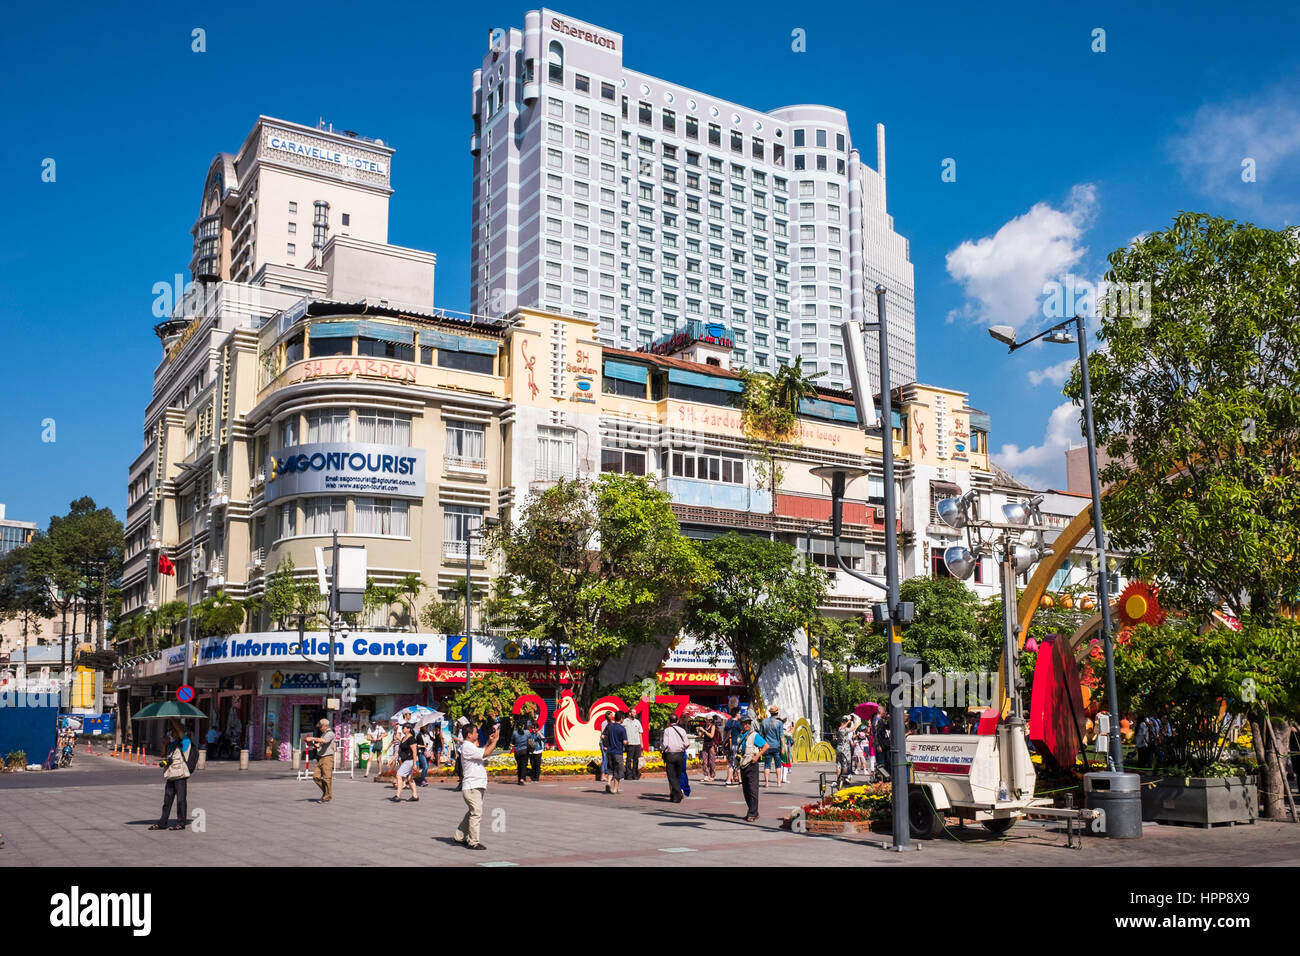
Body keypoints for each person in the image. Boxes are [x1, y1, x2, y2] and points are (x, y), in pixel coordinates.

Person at [453, 720, 499, 851]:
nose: (477, 734)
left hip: (475, 785)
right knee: (476, 814)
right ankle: (473, 842)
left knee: (472, 812)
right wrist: (496, 741)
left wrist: (490, 742)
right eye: (475, 732)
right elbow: (485, 753)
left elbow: (481, 751)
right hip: (472, 785)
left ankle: (459, 836)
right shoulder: (467, 746)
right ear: (469, 735)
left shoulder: (470, 746)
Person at [150, 722, 191, 831]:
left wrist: (172, 719)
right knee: (167, 801)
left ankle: (180, 823)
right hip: (170, 775)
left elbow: (181, 731)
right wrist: (164, 743)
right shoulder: (171, 744)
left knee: (181, 800)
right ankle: (162, 823)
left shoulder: (185, 742)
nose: (171, 734)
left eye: (173, 732)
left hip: (180, 776)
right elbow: (162, 755)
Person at [736, 715, 769, 822]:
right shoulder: (741, 736)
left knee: (753, 790)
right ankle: (753, 811)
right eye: (744, 723)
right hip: (743, 764)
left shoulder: (754, 735)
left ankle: (752, 813)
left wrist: (757, 756)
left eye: (748, 723)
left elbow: (766, 746)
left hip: (752, 764)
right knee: (746, 791)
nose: (746, 725)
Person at [304, 718, 336, 804]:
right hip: (321, 757)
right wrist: (315, 745)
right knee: (316, 776)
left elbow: (324, 741)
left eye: (321, 727)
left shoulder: (330, 733)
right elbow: (320, 743)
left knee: (327, 778)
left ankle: (327, 797)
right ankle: (326, 792)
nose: (320, 728)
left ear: (325, 726)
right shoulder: (323, 734)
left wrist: (312, 738)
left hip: (328, 758)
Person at [660, 713, 690, 803]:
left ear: (669, 721)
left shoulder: (667, 730)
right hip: (680, 754)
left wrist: (660, 748)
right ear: (677, 721)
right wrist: (682, 748)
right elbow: (687, 743)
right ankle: (675, 797)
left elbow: (665, 744)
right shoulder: (682, 730)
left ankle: (678, 792)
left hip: (670, 754)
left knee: (671, 776)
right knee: (678, 775)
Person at [393, 725, 419, 802]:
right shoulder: (404, 738)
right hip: (405, 760)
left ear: (408, 729)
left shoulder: (412, 739)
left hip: (409, 760)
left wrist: (414, 764)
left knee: (399, 775)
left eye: (404, 728)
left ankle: (398, 795)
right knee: (410, 779)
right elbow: (400, 751)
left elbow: (414, 752)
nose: (402, 729)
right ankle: (415, 796)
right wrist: (392, 760)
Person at [761, 706, 785, 788]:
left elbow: (761, 735)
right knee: (778, 765)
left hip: (767, 746)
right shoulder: (779, 723)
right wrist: (783, 748)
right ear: (777, 713)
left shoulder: (764, 722)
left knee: (767, 765)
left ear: (770, 712)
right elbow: (782, 737)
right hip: (776, 746)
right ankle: (778, 783)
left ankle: (767, 783)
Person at [605, 712, 628, 794]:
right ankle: (615, 789)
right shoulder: (622, 729)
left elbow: (604, 736)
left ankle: (608, 783)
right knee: (618, 771)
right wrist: (627, 742)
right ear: (621, 718)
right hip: (618, 751)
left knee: (611, 769)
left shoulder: (610, 726)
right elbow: (625, 741)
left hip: (610, 751)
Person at [724, 708, 743, 786]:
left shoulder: (728, 722)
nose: (740, 714)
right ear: (736, 714)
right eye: (739, 713)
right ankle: (729, 780)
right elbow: (742, 734)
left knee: (734, 761)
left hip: (729, 745)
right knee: (735, 762)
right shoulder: (738, 724)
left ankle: (740, 780)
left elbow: (724, 734)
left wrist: (724, 742)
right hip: (736, 745)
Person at [623, 710, 643, 780]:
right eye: (634, 712)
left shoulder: (637, 722)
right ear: (629, 713)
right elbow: (621, 731)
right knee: (629, 760)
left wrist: (641, 743)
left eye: (635, 712)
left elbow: (640, 733)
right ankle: (628, 775)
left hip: (637, 743)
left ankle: (635, 774)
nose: (635, 714)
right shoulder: (625, 721)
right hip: (629, 744)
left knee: (636, 760)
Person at [511, 720, 532, 785]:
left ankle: (519, 779)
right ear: (523, 725)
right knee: (523, 765)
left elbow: (512, 742)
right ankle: (522, 779)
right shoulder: (527, 732)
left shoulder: (515, 733)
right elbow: (530, 740)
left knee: (519, 765)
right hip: (524, 751)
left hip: (517, 751)